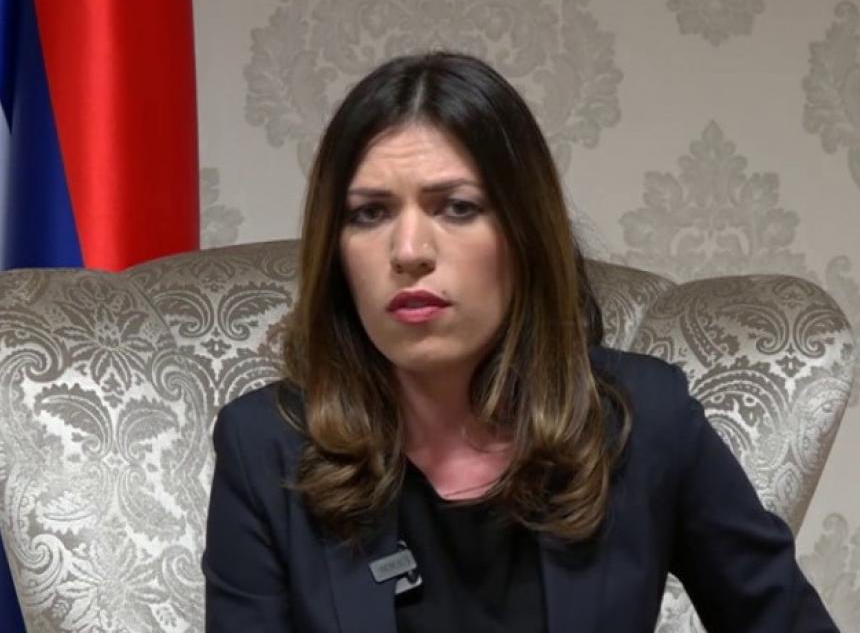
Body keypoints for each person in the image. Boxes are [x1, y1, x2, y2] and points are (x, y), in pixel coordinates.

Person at [202, 52, 837, 632]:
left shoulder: (645, 419)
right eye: (370, 213)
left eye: (456, 207)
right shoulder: (263, 447)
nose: (409, 251)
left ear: (524, 232)